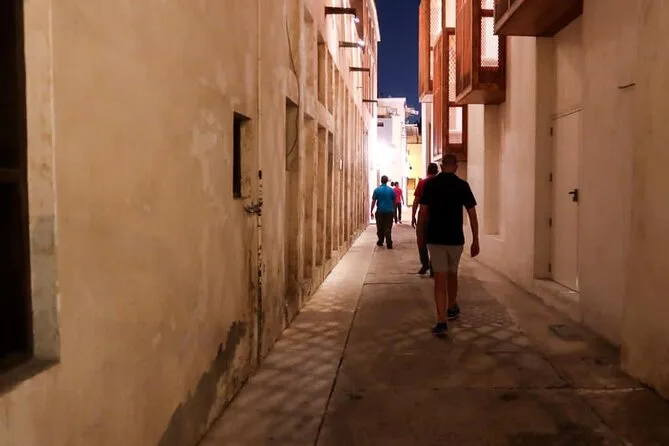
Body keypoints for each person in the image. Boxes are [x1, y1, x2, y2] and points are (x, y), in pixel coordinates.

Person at [419, 154, 479, 337]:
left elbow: (423, 212)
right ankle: (451, 306)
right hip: (455, 239)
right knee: (453, 274)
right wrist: (476, 239)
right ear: (456, 167)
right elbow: (472, 213)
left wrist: (420, 235)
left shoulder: (430, 185)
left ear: (442, 166)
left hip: (435, 238)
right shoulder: (462, 186)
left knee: (440, 278)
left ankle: (441, 321)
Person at [412, 163, 440, 276]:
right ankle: (433, 266)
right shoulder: (440, 183)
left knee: (421, 241)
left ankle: (425, 264)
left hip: (424, 216)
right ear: (437, 171)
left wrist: (413, 215)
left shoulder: (422, 183)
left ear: (427, 171)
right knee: (435, 242)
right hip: (437, 216)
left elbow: (416, 201)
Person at [371, 175, 396, 249]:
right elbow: (394, 201)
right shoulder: (391, 190)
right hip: (389, 212)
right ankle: (389, 243)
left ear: (381, 181)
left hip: (380, 211)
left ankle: (380, 241)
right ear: (387, 181)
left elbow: (373, 201)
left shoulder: (377, 190)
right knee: (388, 227)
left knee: (380, 227)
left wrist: (371, 210)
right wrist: (393, 210)